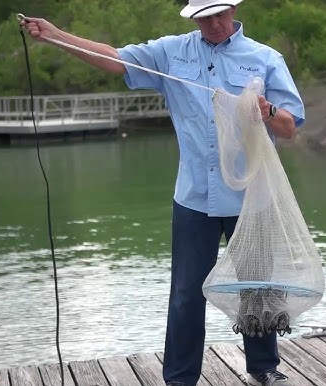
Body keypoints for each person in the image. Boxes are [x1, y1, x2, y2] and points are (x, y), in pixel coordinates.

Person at [21, 1, 304, 385]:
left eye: (220, 16)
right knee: (186, 294)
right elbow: (114, 59)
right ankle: (180, 378)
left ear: (234, 11)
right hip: (193, 198)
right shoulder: (170, 52)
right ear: (194, 18)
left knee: (257, 288)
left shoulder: (266, 58)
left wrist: (267, 110)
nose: (215, 25)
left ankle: (264, 369)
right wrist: (54, 35)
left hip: (252, 199)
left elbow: (289, 128)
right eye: (205, 18)